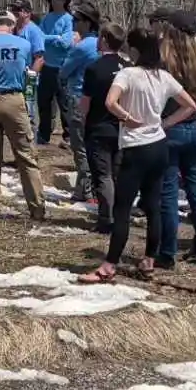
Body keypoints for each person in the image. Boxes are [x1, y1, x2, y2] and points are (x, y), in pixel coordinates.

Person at [81, 28, 196, 284]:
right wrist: (165, 123)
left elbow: (111, 102)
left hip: (135, 148)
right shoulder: (163, 77)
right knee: (153, 206)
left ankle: (109, 265)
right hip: (158, 146)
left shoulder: (128, 74)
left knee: (122, 208)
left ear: (134, 50)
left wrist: (126, 118)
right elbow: (191, 106)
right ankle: (148, 261)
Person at [0, 13, 47, 221]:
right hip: (14, 100)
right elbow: (30, 68)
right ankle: (37, 208)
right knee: (26, 155)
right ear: (12, 26)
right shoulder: (22, 44)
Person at [157, 12, 196, 269]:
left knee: (168, 192)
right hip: (195, 129)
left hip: (170, 126)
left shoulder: (164, 60)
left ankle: (167, 252)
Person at [80, 22, 127, 234]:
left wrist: (81, 121)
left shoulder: (94, 68)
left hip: (99, 128)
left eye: (100, 36)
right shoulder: (129, 68)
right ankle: (120, 215)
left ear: (106, 39)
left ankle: (107, 219)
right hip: (123, 128)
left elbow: (85, 104)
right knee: (117, 175)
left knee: (103, 175)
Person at [59, 3, 101, 200]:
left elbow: (64, 71)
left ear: (87, 23)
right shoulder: (102, 44)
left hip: (78, 98)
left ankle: (85, 190)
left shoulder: (83, 47)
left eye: (76, 20)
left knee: (80, 147)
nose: (73, 23)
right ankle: (92, 187)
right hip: (98, 101)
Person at [36, 0, 75, 145]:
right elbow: (39, 37)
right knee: (44, 102)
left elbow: (65, 43)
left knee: (64, 103)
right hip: (46, 66)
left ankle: (68, 136)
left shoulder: (69, 19)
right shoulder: (47, 18)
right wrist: (55, 37)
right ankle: (44, 135)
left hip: (62, 68)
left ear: (65, 1)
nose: (55, 0)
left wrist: (49, 38)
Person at [8, 0, 46, 133]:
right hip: (12, 80)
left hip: (27, 81)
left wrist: (30, 80)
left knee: (28, 115)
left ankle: (31, 149)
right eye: (13, 9)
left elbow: (40, 58)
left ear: (27, 12)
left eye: (18, 9)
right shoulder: (12, 30)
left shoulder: (34, 31)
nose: (14, 12)